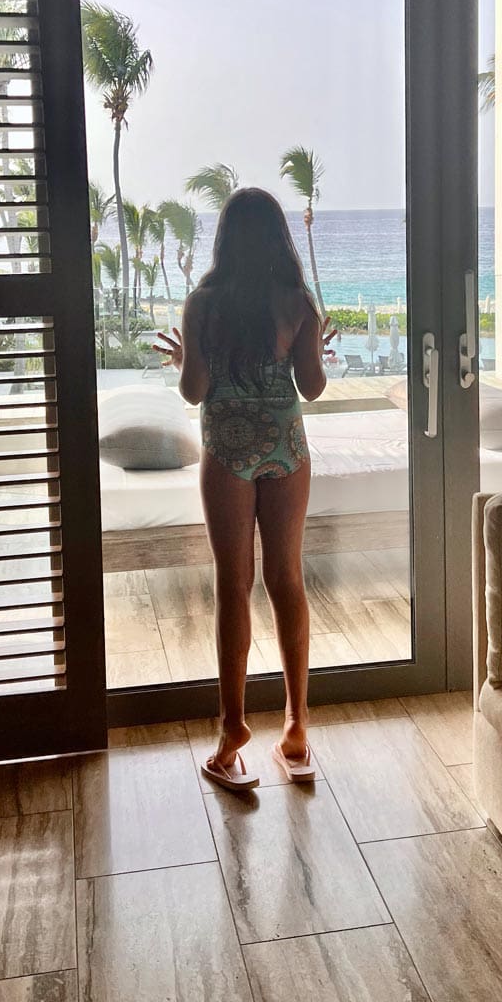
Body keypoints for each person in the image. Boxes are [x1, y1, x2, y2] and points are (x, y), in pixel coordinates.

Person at [154, 188, 332, 791]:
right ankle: (297, 729)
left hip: (228, 451)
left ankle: (232, 734)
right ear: (279, 237)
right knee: (287, 582)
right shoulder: (296, 301)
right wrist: (320, 353)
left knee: (234, 587)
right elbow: (311, 388)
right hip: (286, 450)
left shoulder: (203, 303)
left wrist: (187, 357)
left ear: (225, 239)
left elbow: (194, 391)